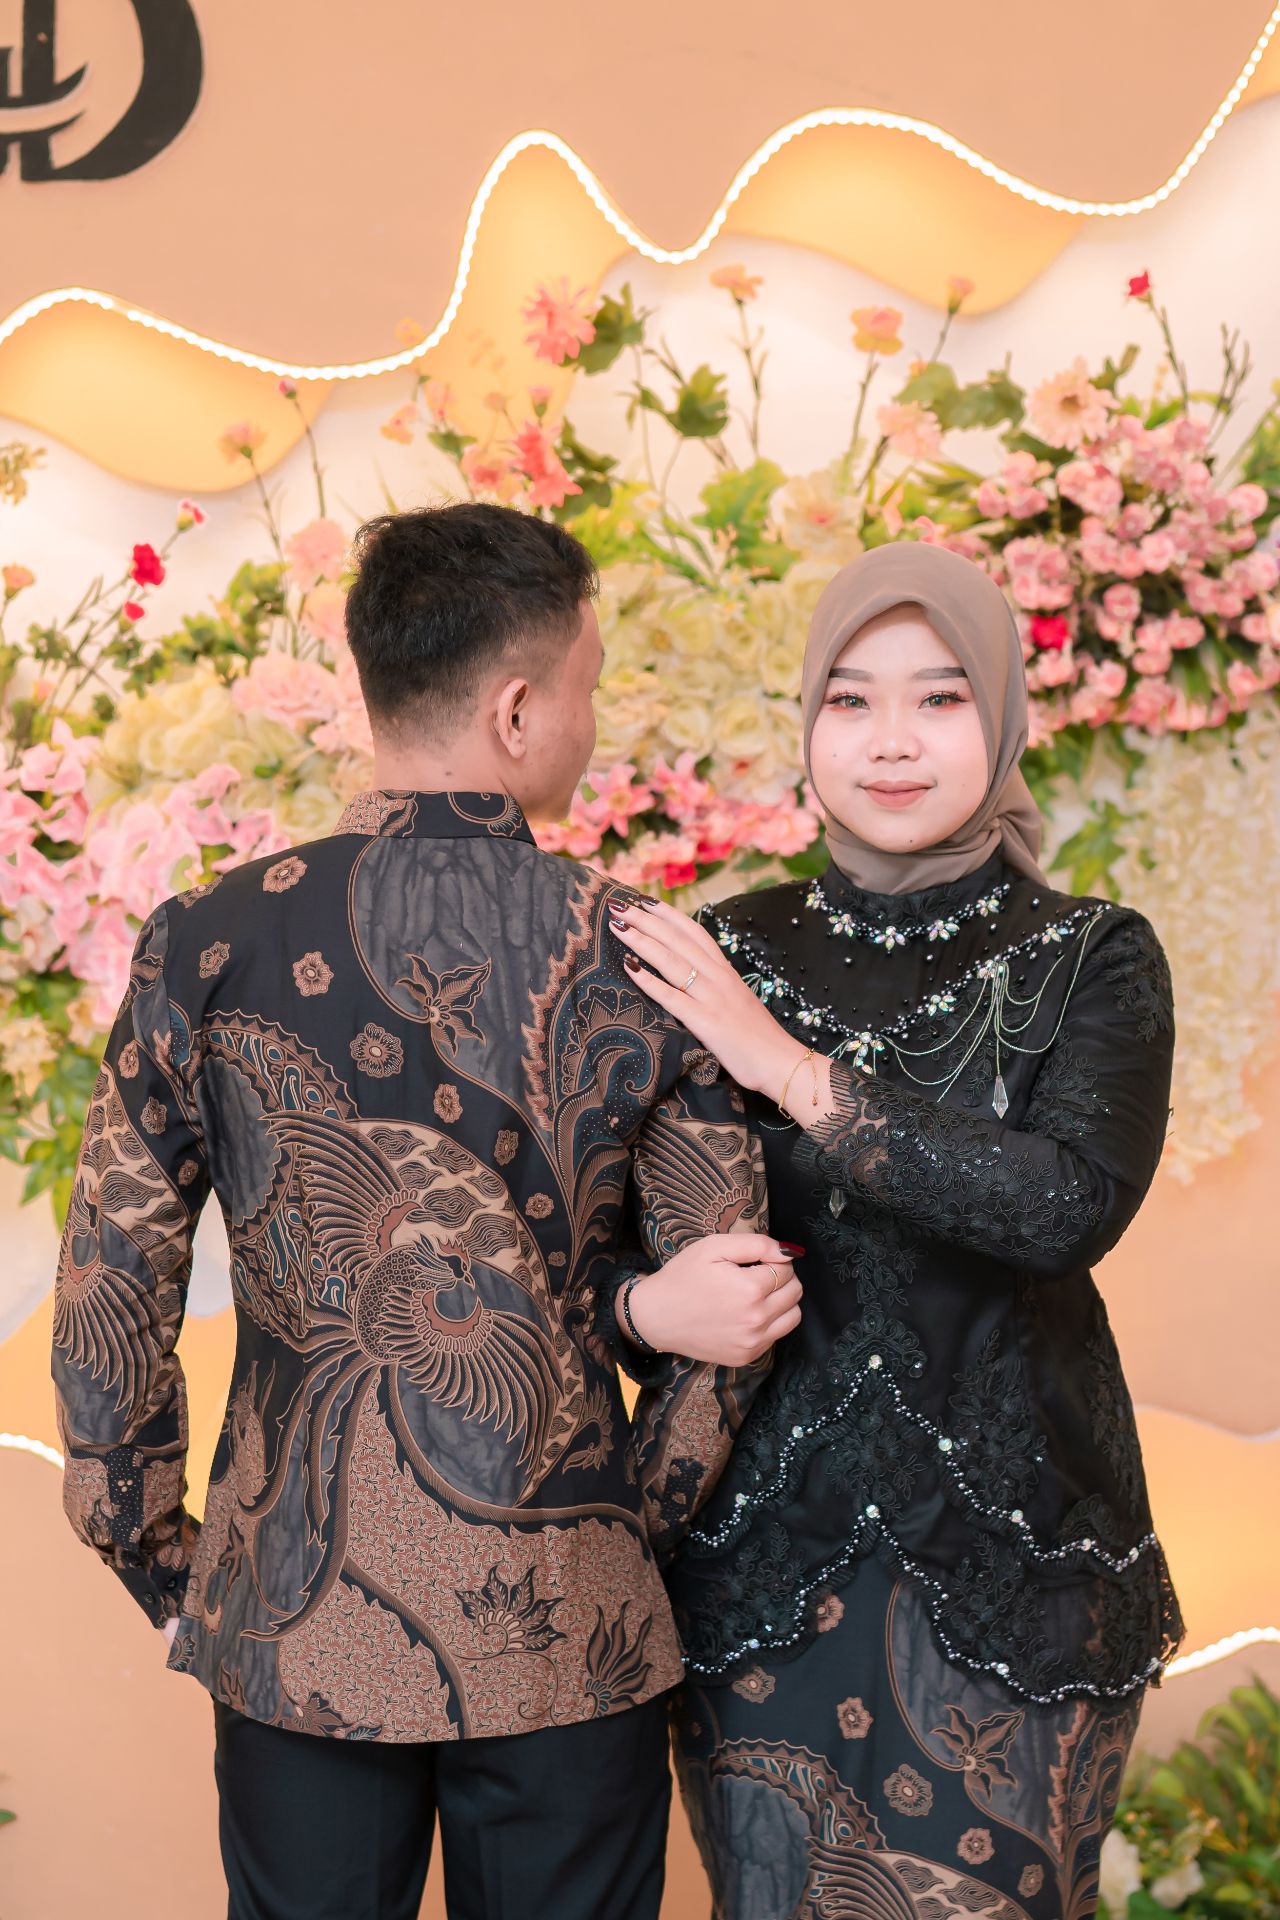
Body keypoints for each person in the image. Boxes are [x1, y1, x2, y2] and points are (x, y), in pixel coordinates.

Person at [50, 502, 804, 1920]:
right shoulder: (644, 954)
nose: (589, 725)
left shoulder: (205, 939)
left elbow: (110, 1293)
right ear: (518, 709)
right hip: (572, 1627)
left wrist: (172, 1561)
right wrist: (618, 1528)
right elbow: (739, 1301)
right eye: (586, 690)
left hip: (291, 1624)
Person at [610, 541, 1184, 1919]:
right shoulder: (716, 955)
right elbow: (594, 1245)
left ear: (1004, 715)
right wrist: (646, 1307)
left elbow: (1061, 1205)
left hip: (1023, 1569)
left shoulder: (1094, 956)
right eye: (851, 700)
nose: (891, 741)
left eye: (939, 698)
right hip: (756, 1567)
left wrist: (787, 1070)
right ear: (808, 721)